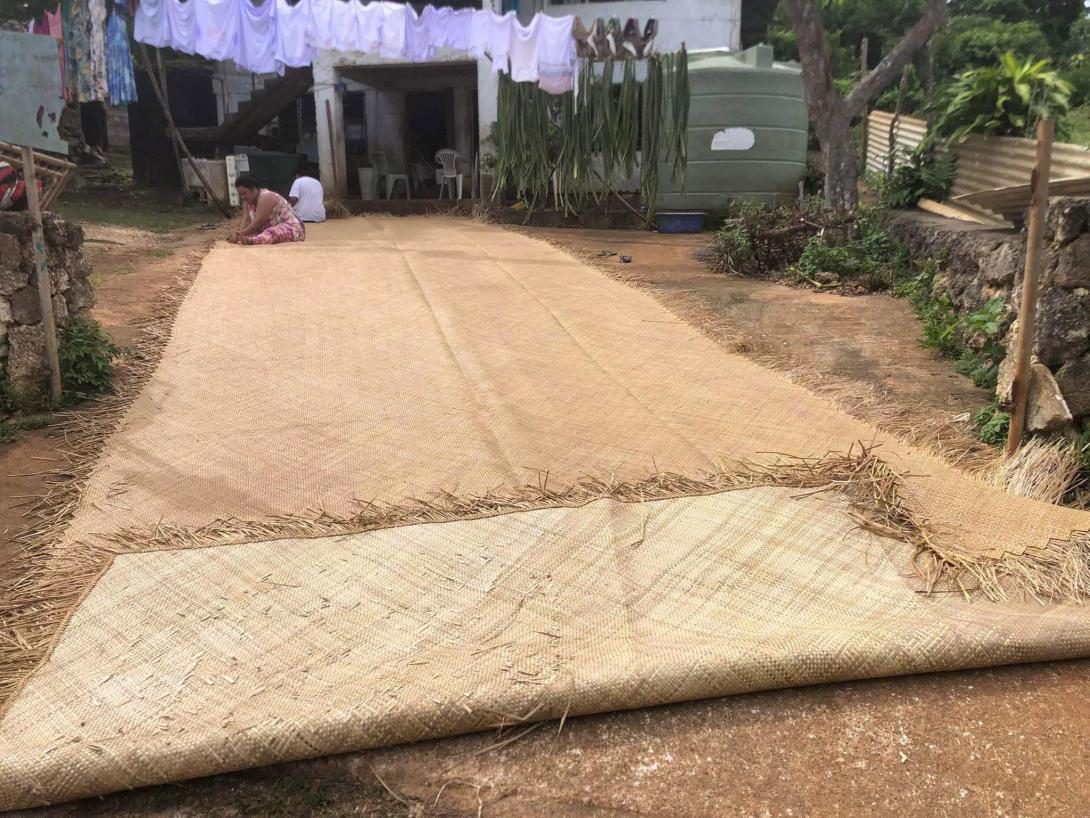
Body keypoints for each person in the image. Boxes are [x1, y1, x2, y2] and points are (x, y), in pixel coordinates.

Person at [229, 174, 305, 245]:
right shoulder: (247, 202)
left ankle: (252, 241)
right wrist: (238, 234)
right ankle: (251, 238)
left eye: (244, 193)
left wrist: (241, 233)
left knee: (272, 232)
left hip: (292, 229)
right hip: (266, 230)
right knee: (257, 233)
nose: (243, 197)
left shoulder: (266, 197)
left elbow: (259, 222)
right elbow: (246, 220)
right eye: (240, 195)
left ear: (253, 189)